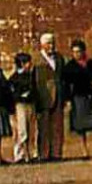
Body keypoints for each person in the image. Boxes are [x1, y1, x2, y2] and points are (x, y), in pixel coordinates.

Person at [62, 39, 92, 159]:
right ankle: (85, 152)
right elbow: (66, 84)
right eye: (74, 52)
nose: (77, 54)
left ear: (83, 51)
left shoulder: (90, 63)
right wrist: (67, 99)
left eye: (79, 51)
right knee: (81, 126)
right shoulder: (69, 67)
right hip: (78, 97)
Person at [33, 32, 67, 162]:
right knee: (44, 127)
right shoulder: (37, 60)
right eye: (49, 43)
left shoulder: (59, 58)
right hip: (44, 96)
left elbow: (62, 77)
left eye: (53, 43)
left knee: (57, 126)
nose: (51, 46)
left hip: (58, 95)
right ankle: (44, 154)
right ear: (42, 45)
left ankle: (56, 153)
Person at [8, 52, 39, 164]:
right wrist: (21, 96)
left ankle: (32, 153)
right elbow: (11, 94)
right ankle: (20, 154)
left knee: (32, 130)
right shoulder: (14, 78)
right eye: (27, 62)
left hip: (30, 104)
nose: (30, 64)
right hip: (20, 105)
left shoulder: (30, 76)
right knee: (22, 130)